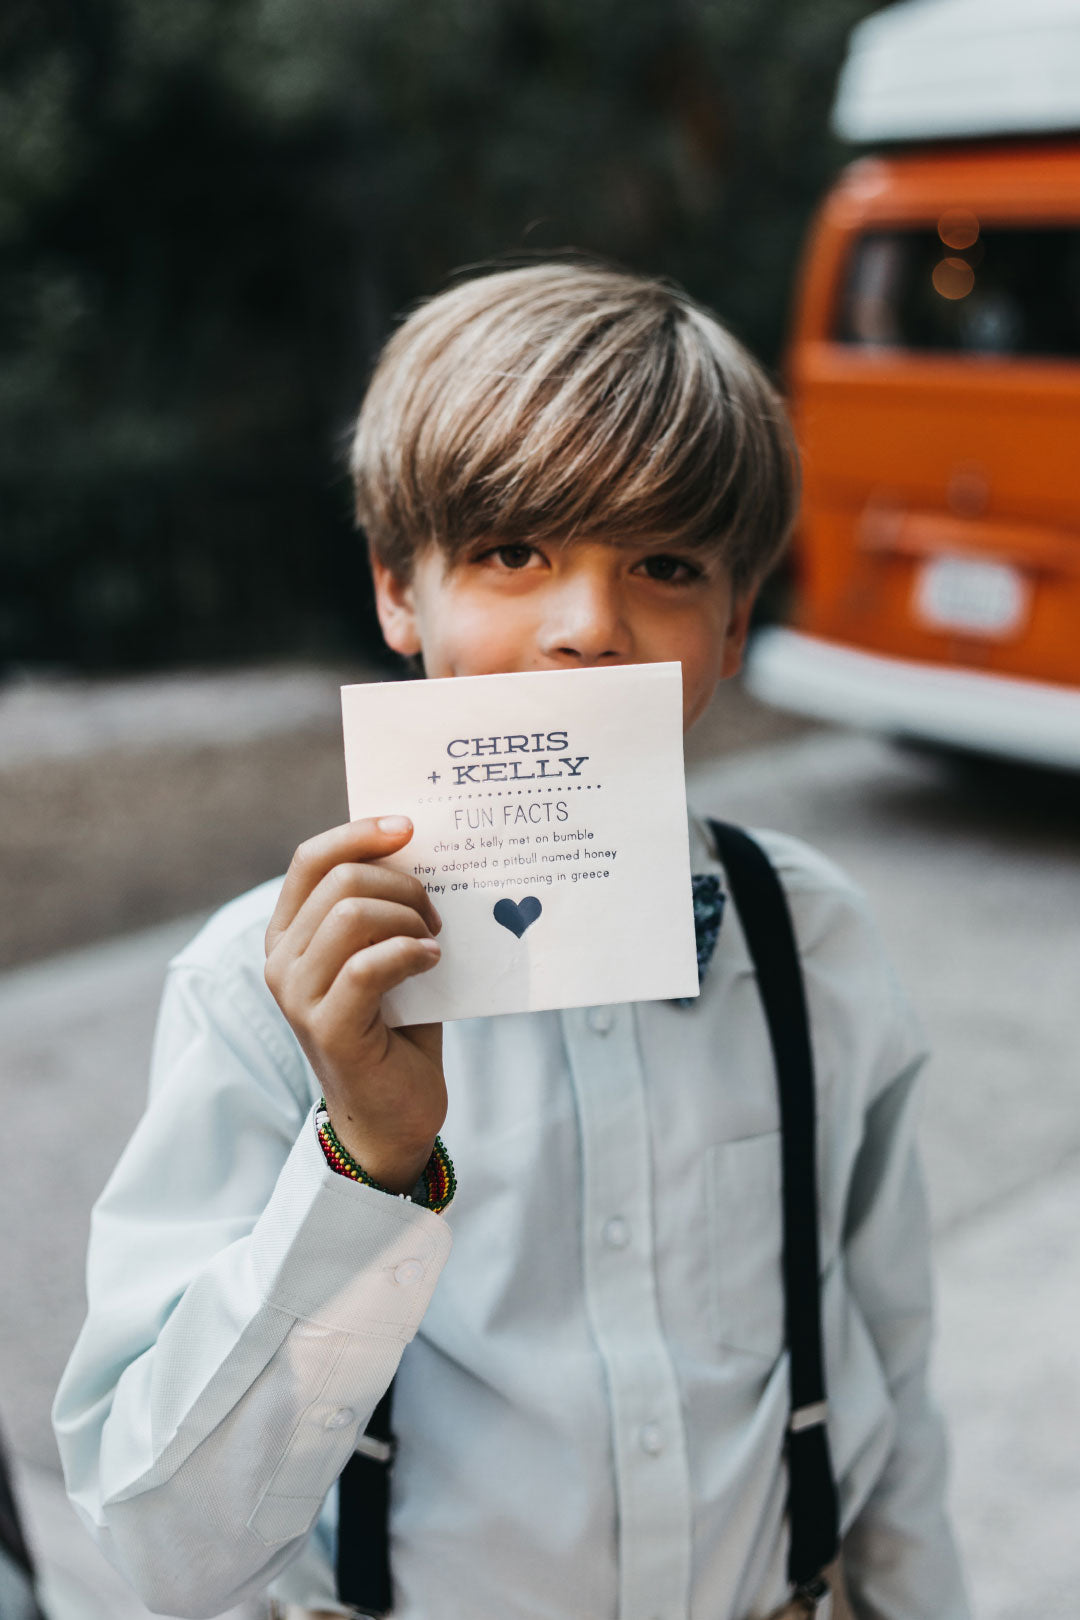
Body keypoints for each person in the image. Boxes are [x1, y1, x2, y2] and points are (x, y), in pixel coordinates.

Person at [53, 263, 971, 1620]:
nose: (588, 628)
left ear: (732, 624)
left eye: (664, 567)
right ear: (397, 594)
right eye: (513, 553)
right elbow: (165, 1550)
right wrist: (366, 1156)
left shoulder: (813, 947)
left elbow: (889, 1367)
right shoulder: (259, 991)